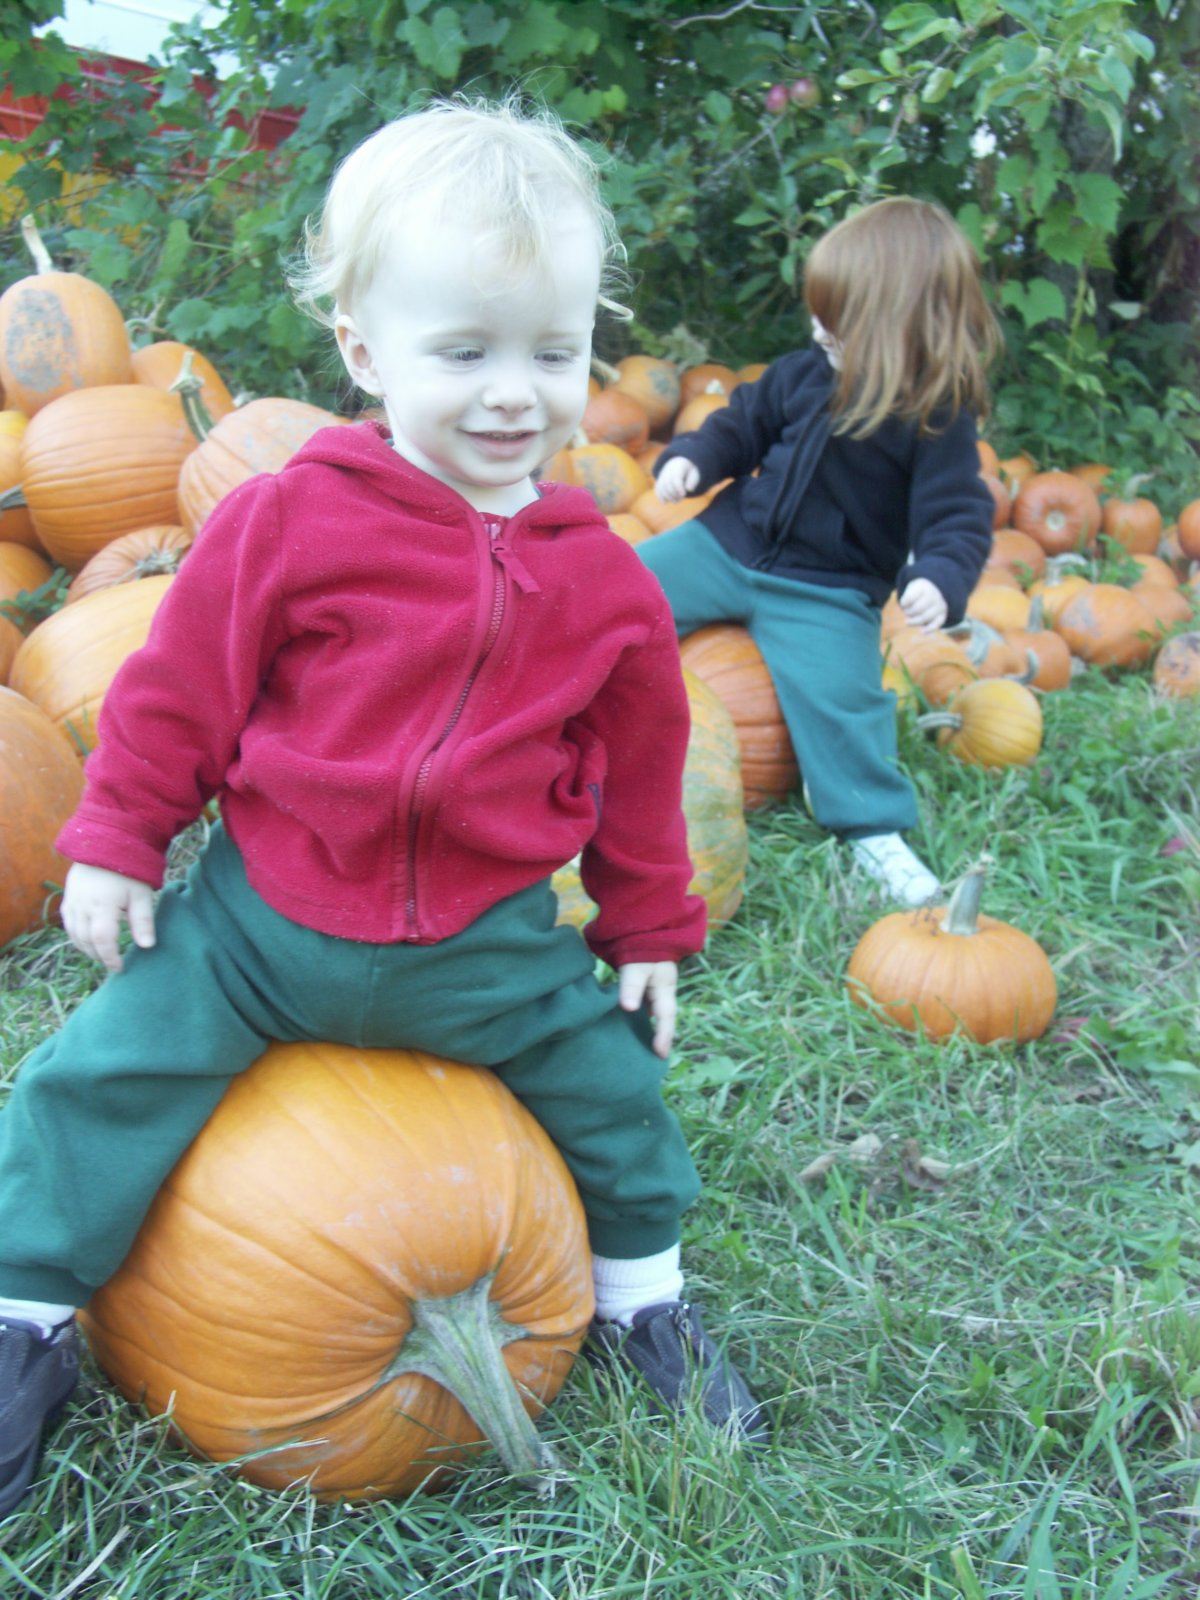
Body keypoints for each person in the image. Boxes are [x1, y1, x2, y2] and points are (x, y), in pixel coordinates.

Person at [0, 98, 768, 1518]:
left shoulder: (601, 579)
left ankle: (644, 1305)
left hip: (484, 949)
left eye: (549, 353)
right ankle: (27, 1320)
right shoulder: (290, 518)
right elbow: (176, 688)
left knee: (615, 1098)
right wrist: (117, 837)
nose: (510, 394)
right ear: (362, 351)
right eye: (463, 351)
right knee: (99, 1078)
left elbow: (641, 767)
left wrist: (651, 927)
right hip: (262, 926)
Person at [646, 197, 999, 906]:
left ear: (903, 329)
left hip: (827, 591)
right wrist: (695, 456)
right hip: (727, 542)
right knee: (622, 593)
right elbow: (741, 424)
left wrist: (940, 573)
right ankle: (551, 702)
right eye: (818, 313)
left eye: (836, 322)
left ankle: (872, 829)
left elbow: (957, 513)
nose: (817, 330)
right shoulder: (803, 371)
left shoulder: (934, 420)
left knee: (844, 701)